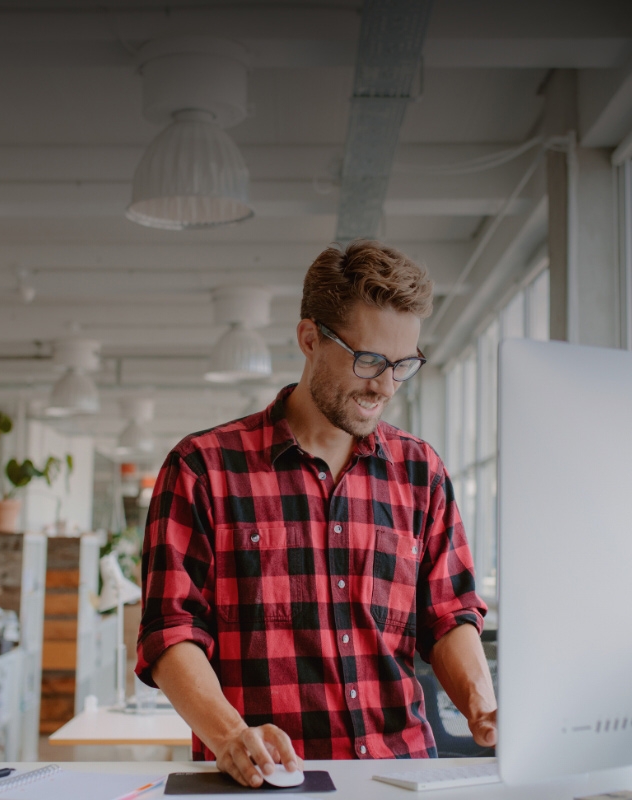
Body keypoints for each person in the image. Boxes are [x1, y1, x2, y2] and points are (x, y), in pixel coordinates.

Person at [136, 239, 497, 788]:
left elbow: (449, 614)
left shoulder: (421, 471)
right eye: (370, 359)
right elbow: (171, 631)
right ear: (310, 339)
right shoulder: (202, 468)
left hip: (402, 775)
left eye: (404, 365)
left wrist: (484, 709)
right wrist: (231, 734)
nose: (385, 385)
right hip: (268, 780)